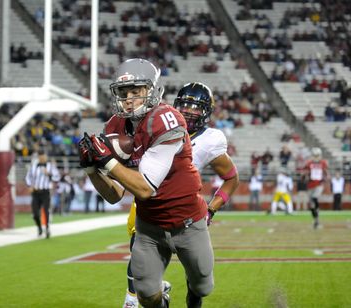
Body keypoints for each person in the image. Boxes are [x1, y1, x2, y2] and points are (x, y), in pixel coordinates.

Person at [78, 59, 230, 308]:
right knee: (147, 295)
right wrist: (91, 169)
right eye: (123, 93)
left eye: (135, 91)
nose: (128, 99)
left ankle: (194, 292)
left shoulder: (167, 119)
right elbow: (115, 194)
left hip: (188, 221)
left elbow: (145, 188)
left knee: (203, 286)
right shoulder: (115, 126)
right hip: (149, 226)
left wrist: (106, 161)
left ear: (151, 90)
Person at [25, 150, 60, 238]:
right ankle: (39, 227)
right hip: (35, 192)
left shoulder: (50, 167)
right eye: (40, 156)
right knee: (35, 213)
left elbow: (57, 177)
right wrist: (30, 186)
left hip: (45, 191)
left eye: (43, 156)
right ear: (38, 157)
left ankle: (47, 228)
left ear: (46, 157)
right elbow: (27, 177)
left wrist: (48, 174)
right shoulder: (33, 166)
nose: (42, 158)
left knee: (46, 210)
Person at [304, 147, 329, 229]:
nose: (316, 157)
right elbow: (305, 173)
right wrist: (305, 176)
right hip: (310, 185)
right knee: (311, 205)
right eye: (315, 155)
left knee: (315, 198)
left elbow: (326, 173)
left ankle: (317, 209)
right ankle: (316, 220)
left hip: (319, 184)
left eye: (317, 155)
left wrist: (326, 177)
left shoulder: (323, 162)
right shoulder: (309, 163)